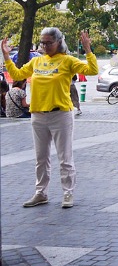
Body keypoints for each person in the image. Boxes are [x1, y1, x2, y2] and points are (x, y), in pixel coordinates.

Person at [2, 28, 98, 209]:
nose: (44, 46)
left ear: (59, 42)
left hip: (60, 114)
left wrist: (88, 50)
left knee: (65, 157)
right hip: (38, 114)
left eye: (48, 43)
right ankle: (41, 193)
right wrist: (7, 57)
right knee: (41, 158)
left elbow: (92, 70)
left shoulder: (68, 60)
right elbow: (17, 75)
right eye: (42, 42)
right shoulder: (36, 61)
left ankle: (68, 192)